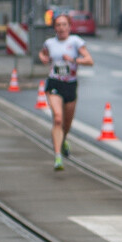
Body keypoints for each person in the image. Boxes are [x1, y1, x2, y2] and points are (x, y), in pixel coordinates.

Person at [38, 13, 94, 170]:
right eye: (58, 25)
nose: (61, 28)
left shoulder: (76, 42)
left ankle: (64, 139)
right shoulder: (49, 43)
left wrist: (74, 60)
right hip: (54, 83)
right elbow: (43, 53)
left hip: (70, 84)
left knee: (67, 123)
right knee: (57, 118)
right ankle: (57, 157)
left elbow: (90, 60)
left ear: (69, 27)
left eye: (64, 25)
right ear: (54, 28)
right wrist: (43, 57)